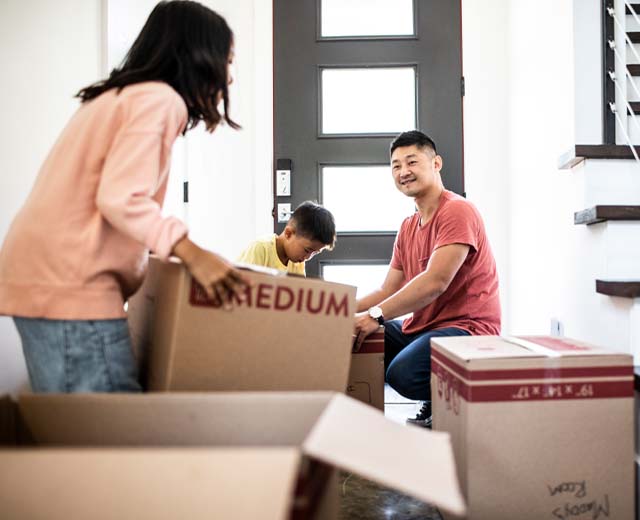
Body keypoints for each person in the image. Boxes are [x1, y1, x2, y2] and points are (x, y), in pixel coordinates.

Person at [0, 1, 250, 393]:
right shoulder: (159, 101)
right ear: (199, 56)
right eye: (228, 60)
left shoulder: (118, 97)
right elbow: (121, 198)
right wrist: (191, 253)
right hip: (71, 286)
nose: (229, 77)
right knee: (107, 439)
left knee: (87, 433)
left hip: (46, 276)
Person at [353, 130, 500, 428]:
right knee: (360, 338)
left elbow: (436, 282)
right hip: (424, 327)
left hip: (467, 330)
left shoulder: (458, 211)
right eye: (396, 166)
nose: (403, 172)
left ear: (436, 164)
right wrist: (338, 313)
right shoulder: (408, 226)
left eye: (412, 162)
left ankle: (452, 405)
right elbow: (387, 289)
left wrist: (375, 315)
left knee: (403, 374)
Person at [237, 201, 336, 276]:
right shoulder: (260, 249)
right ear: (288, 233)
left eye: (315, 253)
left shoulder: (298, 264)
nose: (308, 257)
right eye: (307, 250)